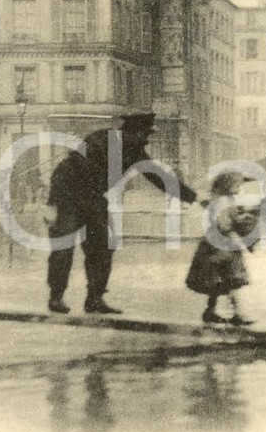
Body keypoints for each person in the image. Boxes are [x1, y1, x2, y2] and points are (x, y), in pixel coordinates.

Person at [46, 113, 198, 314]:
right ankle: (57, 297)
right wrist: (52, 204)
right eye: (145, 134)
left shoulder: (134, 151)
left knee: (103, 248)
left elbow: (159, 177)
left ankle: (94, 299)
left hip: (94, 199)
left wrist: (192, 197)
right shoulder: (101, 139)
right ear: (134, 132)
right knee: (64, 249)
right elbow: (64, 170)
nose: (146, 139)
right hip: (68, 198)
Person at [185, 173, 255, 326]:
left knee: (217, 282)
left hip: (217, 246)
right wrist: (240, 222)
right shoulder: (222, 202)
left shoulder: (226, 200)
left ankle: (210, 311)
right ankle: (237, 313)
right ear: (227, 186)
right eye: (237, 185)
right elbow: (223, 224)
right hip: (220, 247)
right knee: (230, 281)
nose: (239, 189)